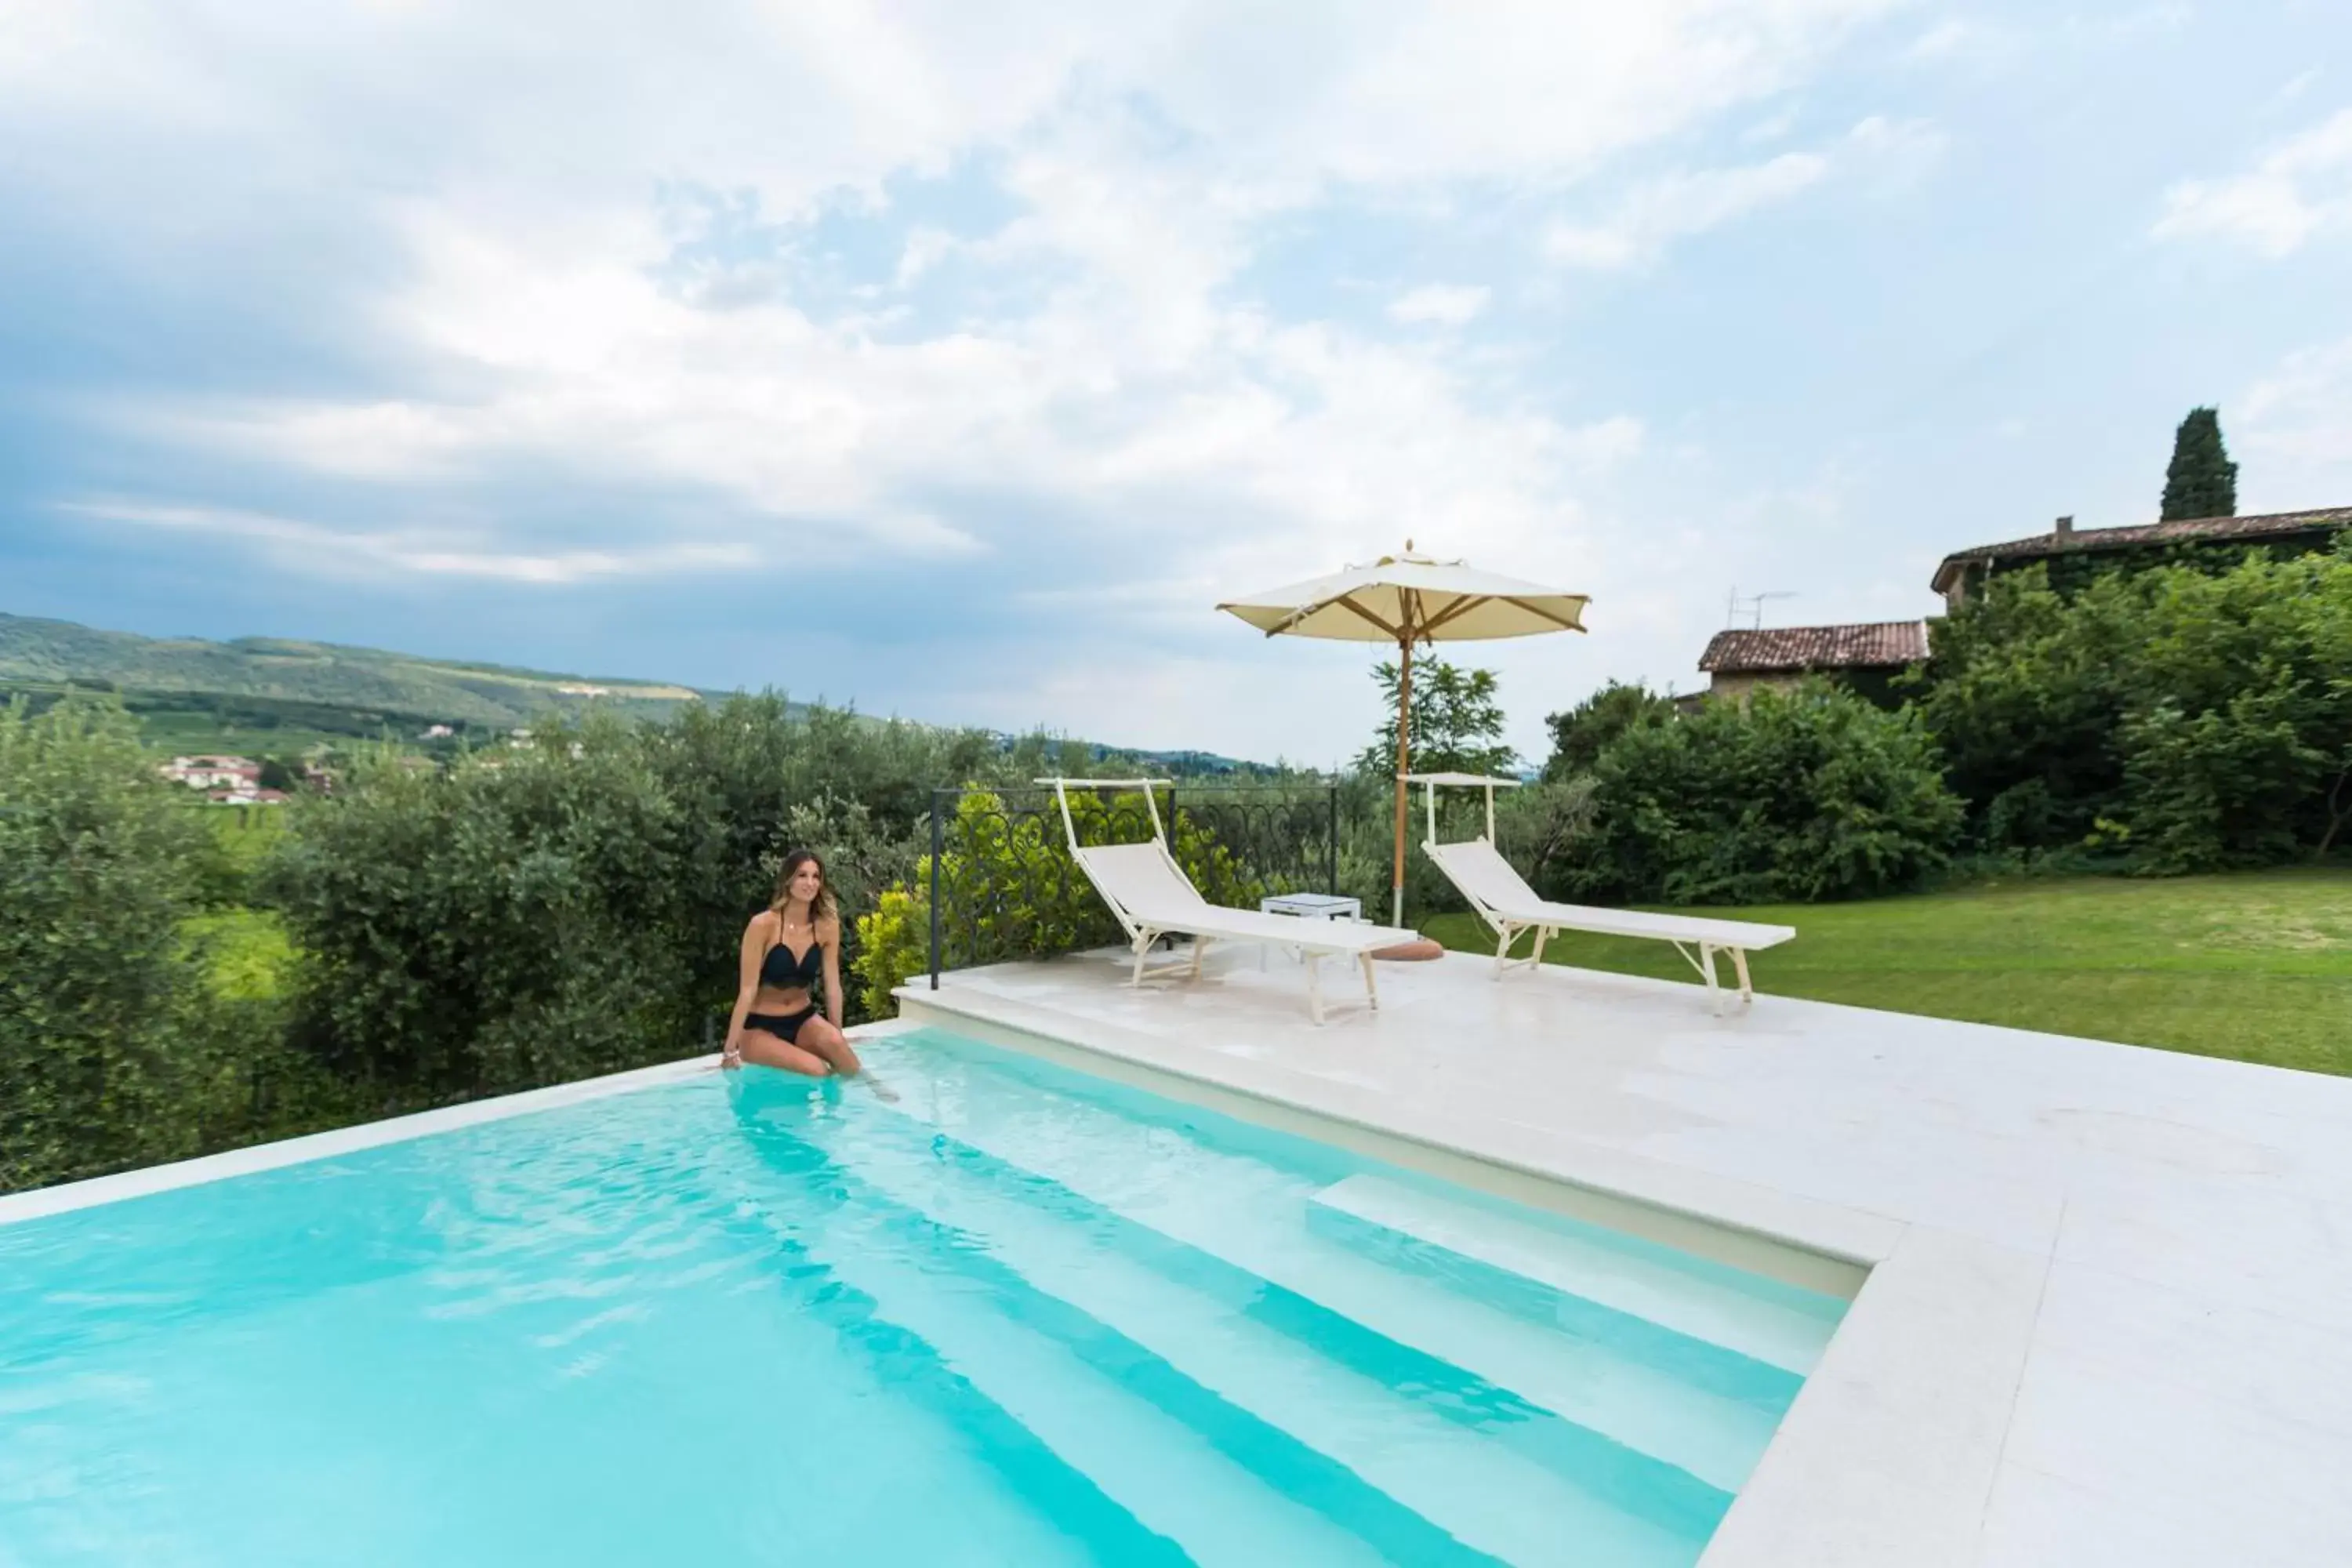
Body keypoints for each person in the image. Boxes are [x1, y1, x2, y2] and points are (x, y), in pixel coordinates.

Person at [721, 849, 873, 1086]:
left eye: (816, 876)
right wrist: (730, 1050)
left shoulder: (827, 926)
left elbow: (832, 986)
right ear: (788, 880)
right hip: (759, 1027)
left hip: (803, 1018)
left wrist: (837, 1036)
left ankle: (867, 1102)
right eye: (802, 875)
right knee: (818, 1070)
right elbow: (747, 990)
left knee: (849, 1064)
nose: (810, 883)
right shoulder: (762, 925)